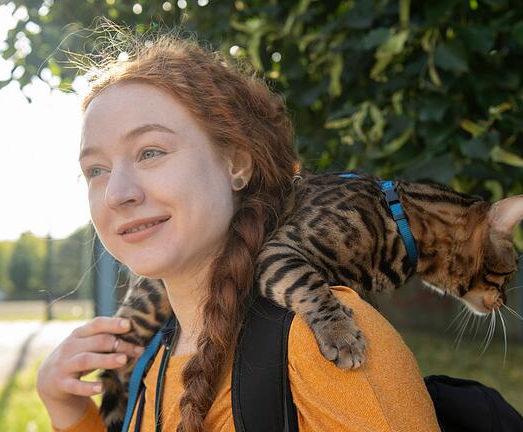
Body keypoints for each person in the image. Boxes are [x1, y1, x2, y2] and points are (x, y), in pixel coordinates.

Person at [35, 27, 440, 432]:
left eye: (151, 152)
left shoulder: (323, 340)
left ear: (237, 165)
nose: (116, 193)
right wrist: (68, 410)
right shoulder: (152, 358)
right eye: (96, 170)